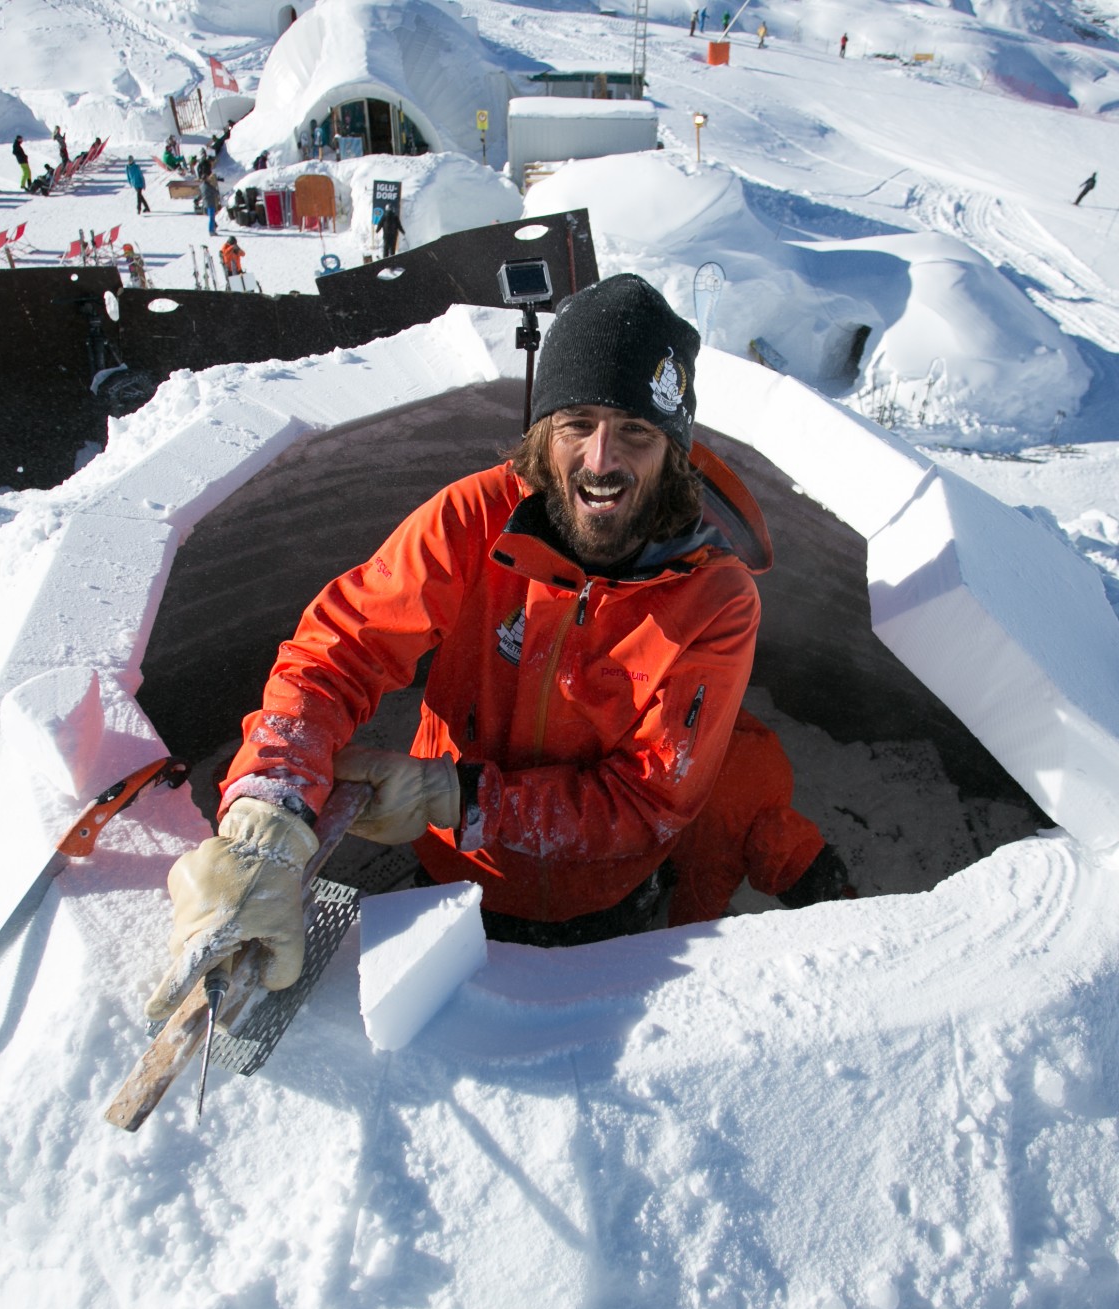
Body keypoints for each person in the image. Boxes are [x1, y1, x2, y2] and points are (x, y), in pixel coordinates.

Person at [146, 274, 780, 1019]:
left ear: (674, 450)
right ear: (544, 430)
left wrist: (459, 795)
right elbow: (343, 646)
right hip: (451, 873)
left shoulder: (717, 599)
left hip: (603, 901)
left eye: (636, 431)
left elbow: (645, 802)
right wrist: (269, 808)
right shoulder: (478, 518)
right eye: (577, 421)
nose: (601, 459)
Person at [666, 711, 854, 925]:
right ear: (779, 889)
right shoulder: (716, 870)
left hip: (663, 722)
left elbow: (727, 710)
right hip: (633, 780)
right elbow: (686, 929)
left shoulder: (778, 769)